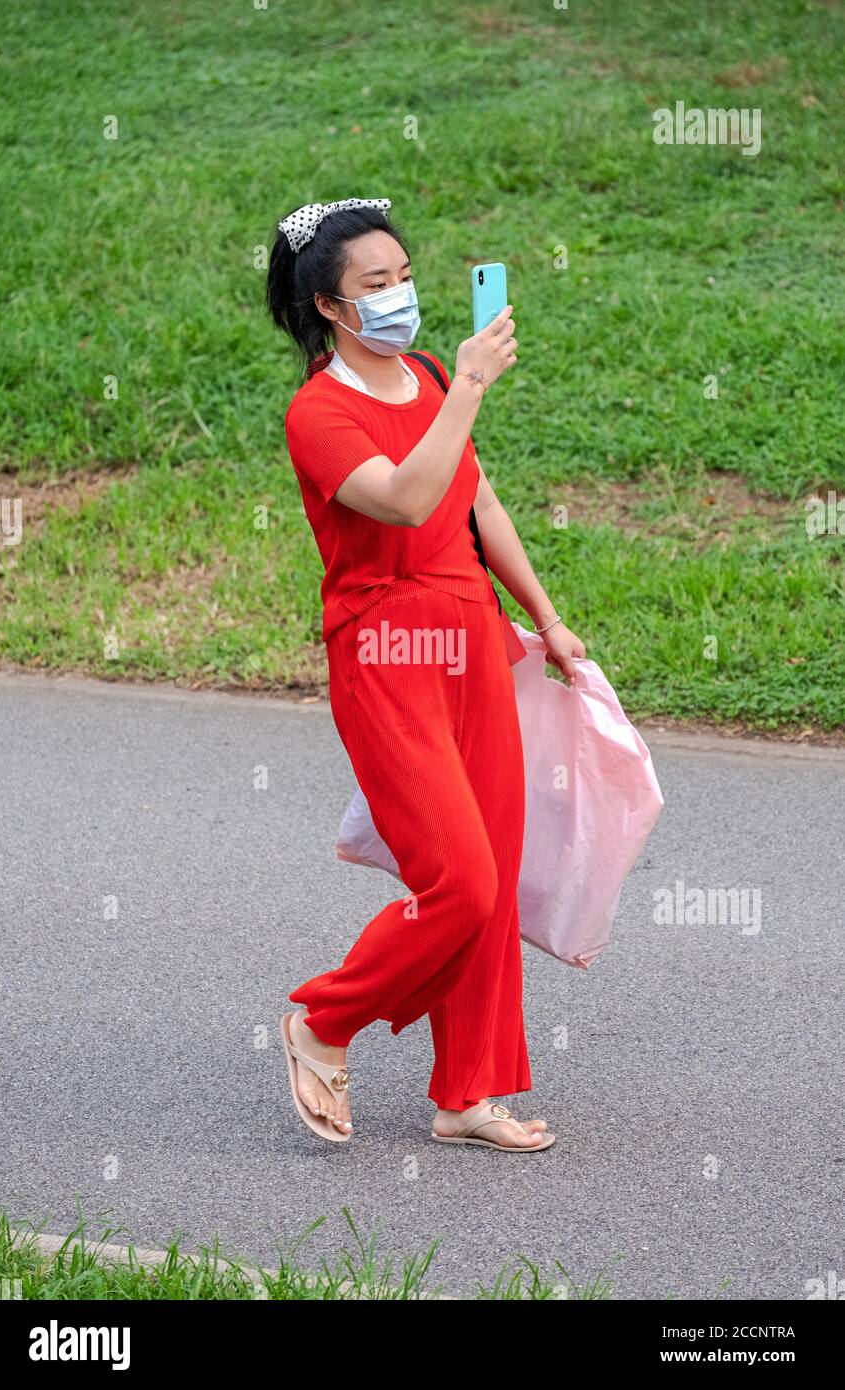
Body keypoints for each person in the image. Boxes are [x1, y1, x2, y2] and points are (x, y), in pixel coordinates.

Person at [267, 197, 586, 1151]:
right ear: (330, 306)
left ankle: (466, 1095)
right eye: (377, 285)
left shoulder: (430, 372)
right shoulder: (317, 414)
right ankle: (324, 1021)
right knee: (461, 883)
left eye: (406, 276)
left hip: (471, 644)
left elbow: (475, 497)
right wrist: (470, 391)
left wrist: (548, 618)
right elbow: (406, 502)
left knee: (496, 865)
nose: (400, 295)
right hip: (384, 657)